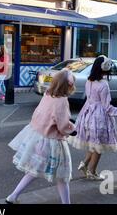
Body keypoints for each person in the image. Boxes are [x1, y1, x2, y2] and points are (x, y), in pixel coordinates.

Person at [6, 69, 77, 204]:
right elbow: (62, 125)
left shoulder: (48, 94)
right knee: (62, 175)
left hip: (37, 138)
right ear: (67, 85)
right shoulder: (62, 101)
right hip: (53, 142)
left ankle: (13, 196)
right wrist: (73, 129)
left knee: (34, 170)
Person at [68, 55, 117, 180]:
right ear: (105, 68)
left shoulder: (89, 80)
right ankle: (92, 172)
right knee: (99, 145)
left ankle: (85, 164)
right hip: (99, 118)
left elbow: (90, 99)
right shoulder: (103, 85)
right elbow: (107, 107)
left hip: (87, 114)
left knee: (93, 143)